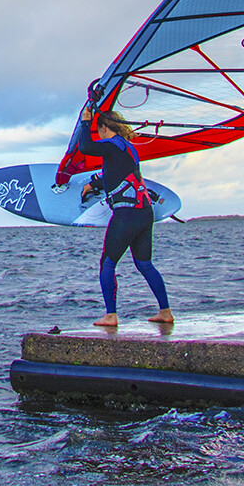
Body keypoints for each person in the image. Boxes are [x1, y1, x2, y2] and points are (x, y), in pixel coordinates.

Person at [74, 106, 173, 327]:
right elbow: (118, 172)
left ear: (104, 128)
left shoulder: (110, 144)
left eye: (98, 130)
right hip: (144, 213)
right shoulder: (127, 148)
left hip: (126, 215)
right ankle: (165, 312)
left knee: (107, 264)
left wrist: (85, 121)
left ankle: (111, 315)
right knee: (145, 264)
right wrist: (94, 184)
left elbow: (85, 147)